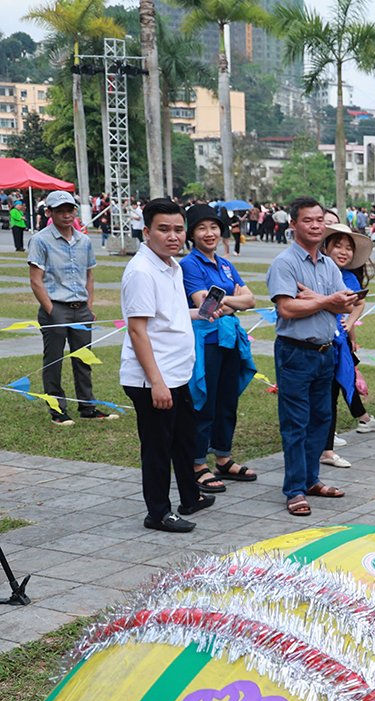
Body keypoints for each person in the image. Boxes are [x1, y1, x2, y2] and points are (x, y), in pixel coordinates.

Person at [119, 199, 212, 533]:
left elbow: (167, 317)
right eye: (163, 229)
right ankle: (157, 512)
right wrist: (156, 382)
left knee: (183, 439)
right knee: (158, 448)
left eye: (178, 229)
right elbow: (137, 330)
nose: (173, 236)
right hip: (152, 379)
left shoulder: (171, 266)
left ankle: (191, 496)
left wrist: (200, 313)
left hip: (176, 373)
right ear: (146, 231)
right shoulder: (142, 272)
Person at [267, 197, 359, 517]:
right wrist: (327, 301)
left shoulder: (328, 264)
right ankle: (294, 489)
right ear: (293, 224)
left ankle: (311, 479)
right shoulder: (285, 263)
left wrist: (317, 298)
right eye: (309, 220)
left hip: (325, 352)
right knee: (296, 422)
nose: (317, 226)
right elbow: (287, 308)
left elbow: (345, 305)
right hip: (296, 352)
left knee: (322, 418)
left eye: (320, 220)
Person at [180, 203, 257, 491]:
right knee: (204, 401)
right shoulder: (189, 265)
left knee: (227, 400)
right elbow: (205, 305)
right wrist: (231, 301)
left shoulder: (225, 264)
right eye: (202, 228)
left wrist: (225, 301)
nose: (209, 233)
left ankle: (223, 458)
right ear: (192, 233)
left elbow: (250, 300)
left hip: (228, 340)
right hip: (205, 342)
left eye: (214, 227)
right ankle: (198, 463)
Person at [28, 191, 114, 426]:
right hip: (55, 308)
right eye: (60, 211)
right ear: (49, 213)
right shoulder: (41, 240)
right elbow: (36, 280)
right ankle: (57, 410)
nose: (66, 215)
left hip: (81, 309)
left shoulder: (84, 241)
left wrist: (89, 305)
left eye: (70, 210)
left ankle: (87, 407)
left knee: (84, 359)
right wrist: (50, 309)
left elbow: (89, 275)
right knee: (54, 360)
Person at [320, 223, 375, 468]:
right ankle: (320, 442)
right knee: (318, 395)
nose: (344, 252)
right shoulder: (318, 270)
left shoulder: (348, 277)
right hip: (316, 341)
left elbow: (357, 304)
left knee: (333, 394)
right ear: (327, 247)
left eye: (349, 248)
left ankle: (326, 448)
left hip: (338, 344)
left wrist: (351, 328)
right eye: (339, 246)